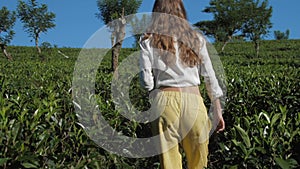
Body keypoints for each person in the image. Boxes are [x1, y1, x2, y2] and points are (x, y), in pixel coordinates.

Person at [139, 0, 225, 168]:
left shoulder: (148, 40)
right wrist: (217, 109)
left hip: (164, 102)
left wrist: (153, 89)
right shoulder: (196, 39)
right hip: (194, 102)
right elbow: (210, 77)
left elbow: (146, 82)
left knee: (169, 163)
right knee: (199, 162)